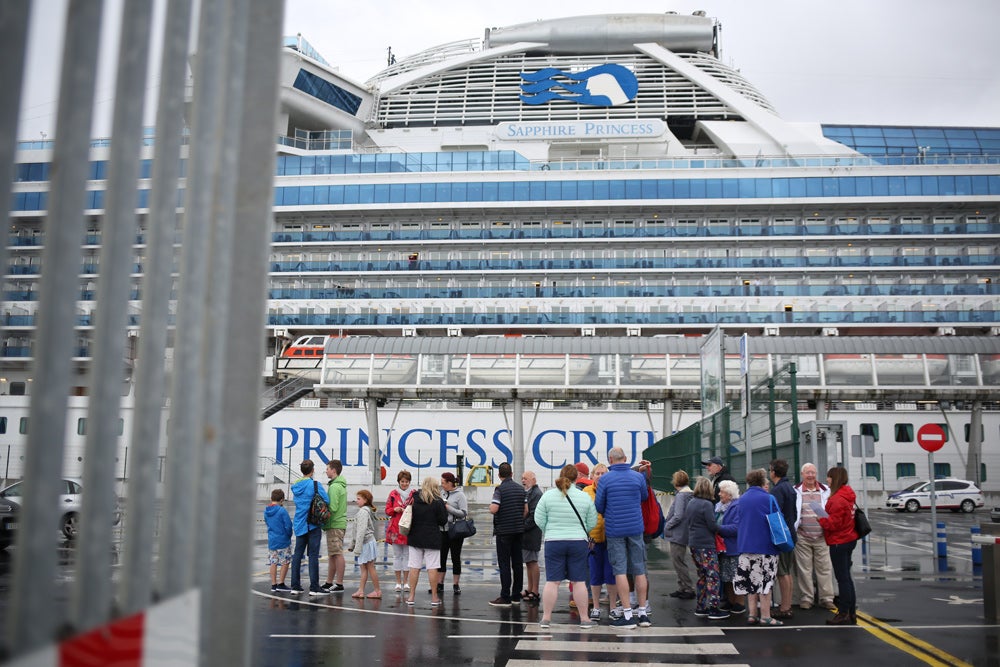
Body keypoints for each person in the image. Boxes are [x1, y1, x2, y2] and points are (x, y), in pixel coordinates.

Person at [534, 464, 598, 630]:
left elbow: (538, 518)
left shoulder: (548, 496)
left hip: (554, 541)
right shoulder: (584, 497)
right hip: (578, 541)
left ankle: (546, 618)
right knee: (578, 582)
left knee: (552, 581)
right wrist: (582, 532)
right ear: (577, 478)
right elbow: (592, 521)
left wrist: (549, 530)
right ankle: (584, 618)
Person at [594, 447, 651, 628]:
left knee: (619, 570)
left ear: (610, 459)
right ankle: (642, 612)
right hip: (635, 527)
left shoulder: (605, 480)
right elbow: (643, 497)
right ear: (626, 458)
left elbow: (599, 505)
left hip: (615, 528)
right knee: (639, 569)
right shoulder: (638, 477)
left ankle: (627, 615)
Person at [733, 469, 781, 625]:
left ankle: (752, 614)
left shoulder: (741, 499)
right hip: (765, 546)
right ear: (762, 481)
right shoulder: (769, 498)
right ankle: (766, 616)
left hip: (745, 545)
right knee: (765, 581)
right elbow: (777, 520)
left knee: (750, 581)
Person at [817, 466, 859, 625]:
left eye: (829, 477)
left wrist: (820, 519)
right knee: (847, 578)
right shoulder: (848, 495)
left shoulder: (836, 499)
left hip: (839, 541)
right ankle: (851, 612)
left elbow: (832, 524)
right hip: (849, 538)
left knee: (842, 579)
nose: (827, 480)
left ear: (834, 478)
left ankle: (843, 613)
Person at [685, 476, 728, 620]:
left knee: (702, 575)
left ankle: (701, 606)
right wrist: (725, 529)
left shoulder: (691, 502)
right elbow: (712, 526)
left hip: (694, 543)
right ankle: (714, 607)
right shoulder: (707, 505)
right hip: (706, 544)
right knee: (713, 576)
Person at [794, 463, 835, 610]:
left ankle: (826, 598)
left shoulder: (826, 490)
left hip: (822, 536)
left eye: (813, 472)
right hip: (802, 536)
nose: (810, 475)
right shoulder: (796, 491)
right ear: (802, 474)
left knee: (824, 568)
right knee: (804, 569)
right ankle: (807, 598)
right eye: (807, 473)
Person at [583, 463, 619, 624]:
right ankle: (596, 606)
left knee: (611, 574)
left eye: (603, 473)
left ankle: (612, 607)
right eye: (597, 473)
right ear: (592, 476)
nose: (600, 476)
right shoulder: (586, 492)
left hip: (611, 538)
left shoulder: (613, 491)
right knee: (595, 575)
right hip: (594, 540)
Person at [405, 476, 448, 606]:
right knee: (432, 567)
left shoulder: (415, 499)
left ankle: (411, 596)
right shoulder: (438, 501)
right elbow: (443, 521)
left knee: (414, 567)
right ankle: (434, 597)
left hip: (415, 536)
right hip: (432, 538)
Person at [488, 462, 526, 607]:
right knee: (517, 563)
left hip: (504, 531)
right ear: (512, 474)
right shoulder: (521, 489)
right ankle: (516, 595)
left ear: (499, 475)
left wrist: (490, 508)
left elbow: (494, 508)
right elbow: (526, 510)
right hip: (518, 530)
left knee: (504, 563)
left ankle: (505, 596)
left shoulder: (500, 489)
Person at [290, 459, 330, 596]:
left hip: (299, 523)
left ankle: (295, 585)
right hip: (313, 523)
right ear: (312, 470)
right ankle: (314, 586)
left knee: (297, 555)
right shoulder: (315, 485)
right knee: (313, 555)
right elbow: (327, 500)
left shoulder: (295, 485)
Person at [769, 459, 797, 619]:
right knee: (787, 571)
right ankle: (787, 604)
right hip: (790, 533)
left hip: (782, 536)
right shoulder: (790, 488)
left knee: (782, 572)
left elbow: (775, 515)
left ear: (773, 472)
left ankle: (785, 607)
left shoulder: (778, 490)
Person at [662, 470, 696, 600]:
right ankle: (683, 586)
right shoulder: (690, 494)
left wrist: (667, 525)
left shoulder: (681, 496)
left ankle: (687, 587)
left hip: (678, 533)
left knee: (678, 561)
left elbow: (678, 515)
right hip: (685, 531)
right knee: (679, 560)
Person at [715, 479, 745, 614]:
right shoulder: (719, 507)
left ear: (729, 494)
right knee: (726, 576)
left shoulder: (736, 506)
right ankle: (730, 601)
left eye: (722, 492)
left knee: (736, 576)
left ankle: (739, 602)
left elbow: (737, 528)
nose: (719, 494)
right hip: (724, 548)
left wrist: (718, 528)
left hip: (733, 547)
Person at [438, 472, 469, 595]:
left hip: (455, 530)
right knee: (441, 558)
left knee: (456, 557)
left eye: (443, 483)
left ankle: (456, 584)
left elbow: (464, 512)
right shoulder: (442, 493)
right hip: (443, 529)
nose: (442, 485)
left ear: (450, 483)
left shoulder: (460, 495)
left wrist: (448, 508)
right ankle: (440, 583)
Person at [347, 489, 381, 599]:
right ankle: (361, 590)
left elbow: (360, 531)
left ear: (365, 500)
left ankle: (376, 591)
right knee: (367, 568)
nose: (356, 501)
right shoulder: (368, 510)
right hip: (369, 542)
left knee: (369, 568)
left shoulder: (363, 512)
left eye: (358, 499)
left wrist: (357, 548)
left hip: (365, 543)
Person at [384, 470, 414, 593]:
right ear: (398, 482)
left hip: (409, 528)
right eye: (402, 481)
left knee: (407, 556)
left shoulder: (414, 494)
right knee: (397, 556)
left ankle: (406, 582)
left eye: (407, 482)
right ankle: (397, 582)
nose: (404, 484)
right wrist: (394, 509)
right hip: (395, 528)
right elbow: (387, 510)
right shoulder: (393, 494)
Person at [321, 459, 347, 593]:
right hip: (337, 524)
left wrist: (321, 510)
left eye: (327, 468)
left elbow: (333, 507)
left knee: (337, 553)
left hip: (335, 524)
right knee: (332, 554)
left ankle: (340, 583)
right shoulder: (338, 485)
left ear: (334, 470)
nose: (326, 471)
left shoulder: (335, 487)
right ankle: (329, 581)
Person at [521, 470, 543, 604]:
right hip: (527, 533)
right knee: (528, 562)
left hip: (532, 533)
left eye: (526, 479)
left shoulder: (536, 494)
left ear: (533, 480)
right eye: (522, 478)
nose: (523, 481)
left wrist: (522, 527)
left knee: (533, 562)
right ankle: (529, 588)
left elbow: (534, 515)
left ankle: (535, 590)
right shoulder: (529, 492)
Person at [264, 488, 293, 592]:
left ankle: (273, 584)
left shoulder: (266, 511)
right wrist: (289, 535)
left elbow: (267, 523)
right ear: (282, 500)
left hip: (272, 540)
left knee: (273, 562)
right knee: (285, 561)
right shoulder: (282, 511)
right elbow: (288, 526)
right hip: (283, 540)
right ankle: (281, 583)